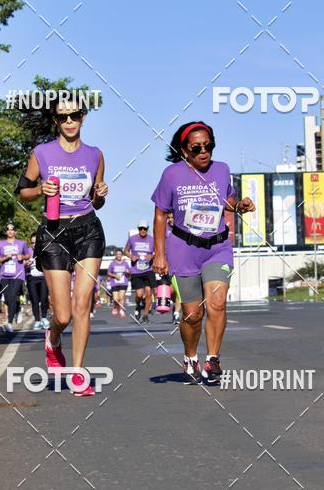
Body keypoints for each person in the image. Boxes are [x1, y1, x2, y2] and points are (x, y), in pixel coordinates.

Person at [16, 93, 107, 397]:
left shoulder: (95, 154)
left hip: (88, 230)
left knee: (83, 305)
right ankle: (53, 337)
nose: (70, 121)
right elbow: (23, 192)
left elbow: (98, 201)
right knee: (64, 315)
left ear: (83, 117)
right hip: (54, 232)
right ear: (55, 120)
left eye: (75, 115)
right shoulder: (41, 153)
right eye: (63, 116)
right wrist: (40, 188)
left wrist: (100, 193)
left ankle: (78, 372)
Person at [151, 121, 255, 384]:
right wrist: (160, 253)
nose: (203, 152)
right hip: (184, 249)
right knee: (193, 314)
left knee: (217, 304)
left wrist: (239, 204)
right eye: (196, 148)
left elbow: (227, 200)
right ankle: (190, 357)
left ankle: (213, 358)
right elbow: (161, 214)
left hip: (217, 247)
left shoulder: (221, 170)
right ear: (184, 151)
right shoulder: (171, 174)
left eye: (208, 146)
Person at [0, 222, 29, 333]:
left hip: (18, 274)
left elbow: (28, 255)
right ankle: (17, 308)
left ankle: (9, 322)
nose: (10, 231)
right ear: (6, 232)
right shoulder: (0, 244)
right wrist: (4, 258)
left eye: (12, 229)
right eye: (8, 229)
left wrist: (21, 256)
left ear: (15, 232)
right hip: (5, 274)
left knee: (13, 295)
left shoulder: (21, 243)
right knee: (8, 298)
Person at [124, 220, 155, 323]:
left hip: (148, 270)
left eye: (144, 229)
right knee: (139, 294)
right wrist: (131, 256)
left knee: (148, 292)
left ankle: (145, 314)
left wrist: (152, 256)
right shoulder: (132, 239)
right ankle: (138, 307)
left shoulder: (151, 240)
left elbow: (158, 252)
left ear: (147, 229)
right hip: (136, 271)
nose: (143, 230)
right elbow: (126, 250)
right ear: (138, 229)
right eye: (140, 228)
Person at [26, 233, 49, 329]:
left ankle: (44, 318)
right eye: (32, 243)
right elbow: (22, 263)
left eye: (36, 242)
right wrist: (26, 263)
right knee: (34, 299)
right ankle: (37, 320)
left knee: (44, 298)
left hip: (43, 277)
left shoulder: (45, 251)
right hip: (31, 277)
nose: (34, 244)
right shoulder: (27, 251)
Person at [107, 249, 130, 317]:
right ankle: (115, 306)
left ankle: (122, 311)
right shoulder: (112, 263)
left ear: (122, 255)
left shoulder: (125, 263)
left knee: (121, 297)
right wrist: (115, 276)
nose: (118, 255)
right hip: (115, 283)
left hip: (123, 283)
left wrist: (128, 272)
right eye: (117, 254)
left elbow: (128, 274)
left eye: (120, 254)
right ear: (115, 255)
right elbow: (108, 273)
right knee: (116, 299)